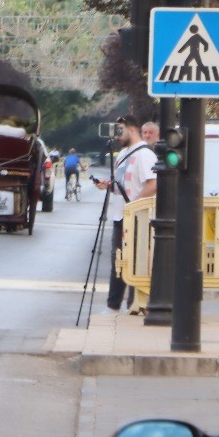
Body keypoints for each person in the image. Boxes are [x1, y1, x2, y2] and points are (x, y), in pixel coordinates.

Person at [91, 116, 157, 312]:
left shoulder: (145, 154)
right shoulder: (122, 154)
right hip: (121, 216)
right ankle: (114, 305)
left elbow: (153, 183)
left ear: (132, 129)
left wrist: (134, 206)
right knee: (118, 261)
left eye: (120, 131)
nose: (117, 136)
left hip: (137, 217)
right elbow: (123, 186)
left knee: (135, 261)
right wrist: (108, 186)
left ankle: (134, 304)